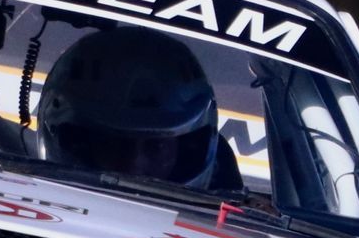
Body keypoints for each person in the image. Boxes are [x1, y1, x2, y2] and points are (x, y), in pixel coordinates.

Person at [37, 25, 241, 190]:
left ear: (187, 150)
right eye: (116, 144)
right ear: (79, 144)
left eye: (157, 147)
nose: (133, 165)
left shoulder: (237, 234)